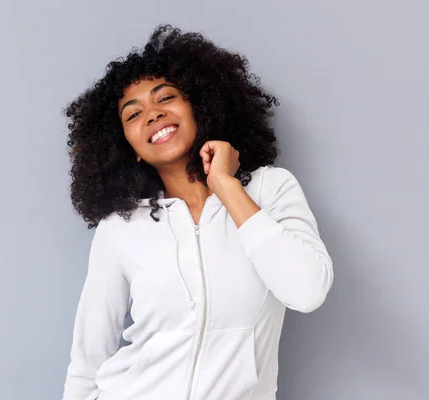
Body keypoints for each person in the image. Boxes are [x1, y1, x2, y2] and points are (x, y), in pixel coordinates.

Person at [61, 25, 334, 400]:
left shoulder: (270, 190)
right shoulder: (120, 228)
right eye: (133, 114)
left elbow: (307, 291)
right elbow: (88, 360)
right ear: (131, 147)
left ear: (199, 106)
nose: (153, 115)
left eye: (166, 98)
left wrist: (226, 185)